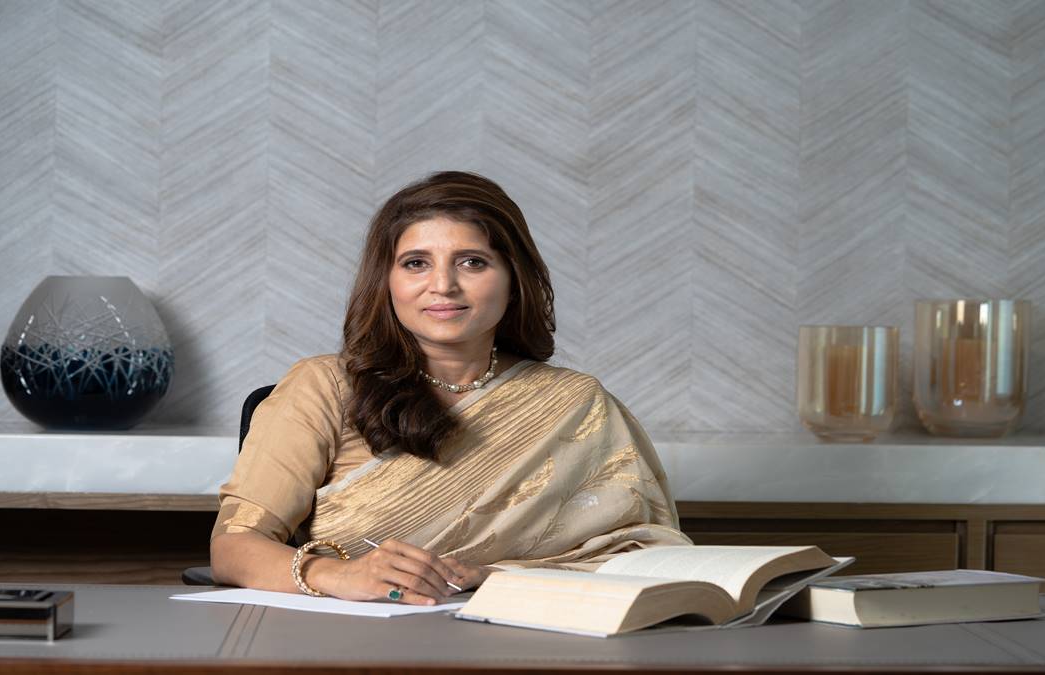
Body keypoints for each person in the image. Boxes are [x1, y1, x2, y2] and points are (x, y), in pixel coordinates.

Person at [210, 171, 691, 605]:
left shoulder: (577, 404)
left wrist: (492, 575)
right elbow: (233, 548)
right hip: (352, 641)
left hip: (528, 635)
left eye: (472, 262)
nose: (443, 285)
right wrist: (339, 575)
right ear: (386, 282)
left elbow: (644, 553)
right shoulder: (325, 387)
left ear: (514, 280)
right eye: (416, 263)